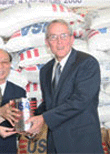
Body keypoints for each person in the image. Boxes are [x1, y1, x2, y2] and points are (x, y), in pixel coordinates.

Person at [25, 19, 104, 153]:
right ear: (47, 42)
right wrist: (29, 118)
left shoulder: (87, 63)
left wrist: (43, 118)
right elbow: (49, 103)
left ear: (72, 39)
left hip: (82, 144)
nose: (59, 42)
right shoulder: (46, 70)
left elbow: (80, 101)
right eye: (53, 37)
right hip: (55, 144)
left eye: (63, 36)